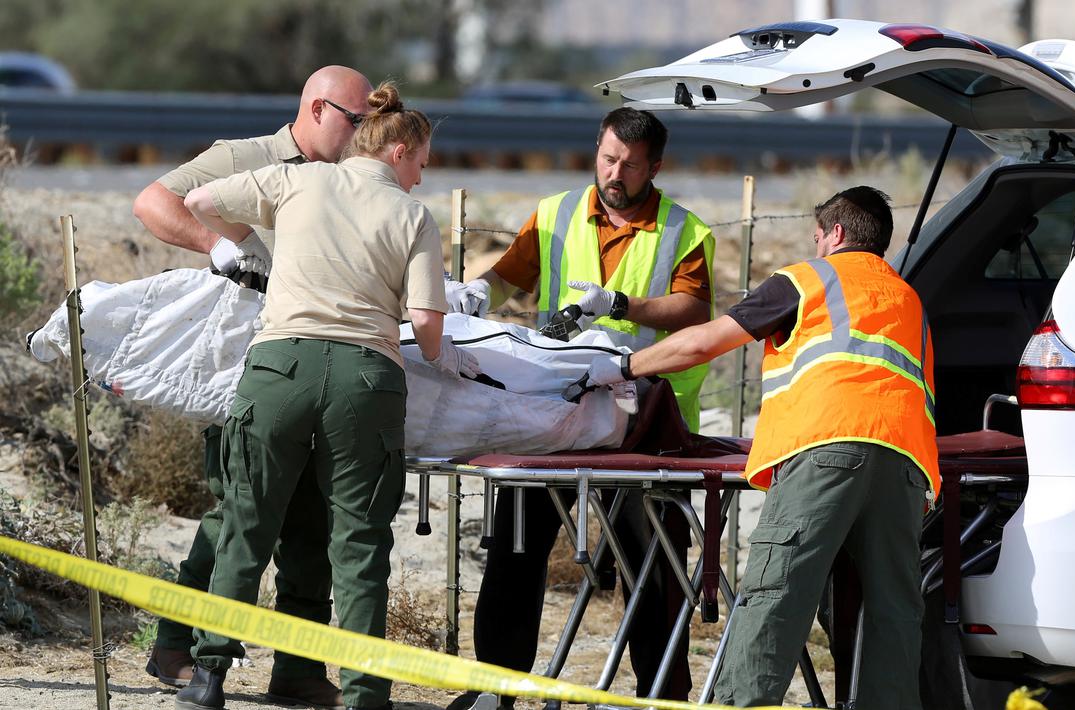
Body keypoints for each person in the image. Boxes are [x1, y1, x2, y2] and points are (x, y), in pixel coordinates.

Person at [576, 186, 938, 710]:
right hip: (905, 463)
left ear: (834, 234)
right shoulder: (908, 298)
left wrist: (625, 366)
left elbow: (705, 341)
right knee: (894, 611)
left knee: (777, 595)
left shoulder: (807, 279)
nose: (815, 246)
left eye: (818, 237)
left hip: (826, 449)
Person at [174, 82, 476, 710]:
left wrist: (249, 250)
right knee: (359, 543)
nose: (423, 177)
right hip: (365, 381)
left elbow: (198, 197)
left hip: (279, 368)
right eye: (422, 163)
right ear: (400, 150)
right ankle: (366, 692)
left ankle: (207, 677)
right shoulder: (413, 217)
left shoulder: (299, 182)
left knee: (247, 528)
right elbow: (426, 328)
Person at [445, 107, 714, 707]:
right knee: (516, 546)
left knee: (652, 567)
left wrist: (620, 303)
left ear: (656, 168)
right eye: (608, 158)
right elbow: (512, 272)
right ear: (597, 147)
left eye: (631, 166)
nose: (615, 174)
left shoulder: (685, 231)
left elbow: (694, 311)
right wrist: (479, 291)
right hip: (554, 412)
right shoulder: (556, 213)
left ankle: (660, 692)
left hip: (643, 421)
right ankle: (497, 687)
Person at [133, 65, 372, 708]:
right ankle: (177, 643)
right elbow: (153, 201)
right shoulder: (248, 159)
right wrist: (215, 244)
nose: (362, 132)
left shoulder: (351, 180)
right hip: (254, 369)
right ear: (319, 110)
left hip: (321, 370)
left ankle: (295, 670)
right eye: (356, 119)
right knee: (238, 517)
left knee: (312, 526)